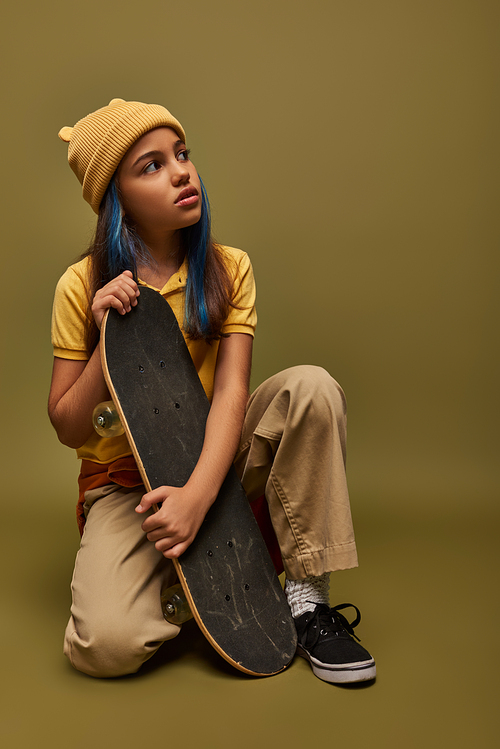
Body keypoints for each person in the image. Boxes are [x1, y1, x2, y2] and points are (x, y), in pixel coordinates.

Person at [49, 98, 376, 684]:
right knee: (104, 647)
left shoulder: (228, 268)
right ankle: (200, 599)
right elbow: (68, 426)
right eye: (150, 166)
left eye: (182, 154)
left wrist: (199, 498)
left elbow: (231, 397)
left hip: (216, 459)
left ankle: (306, 603)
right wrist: (104, 344)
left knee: (311, 388)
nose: (181, 172)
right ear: (115, 199)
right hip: (129, 490)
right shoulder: (81, 285)